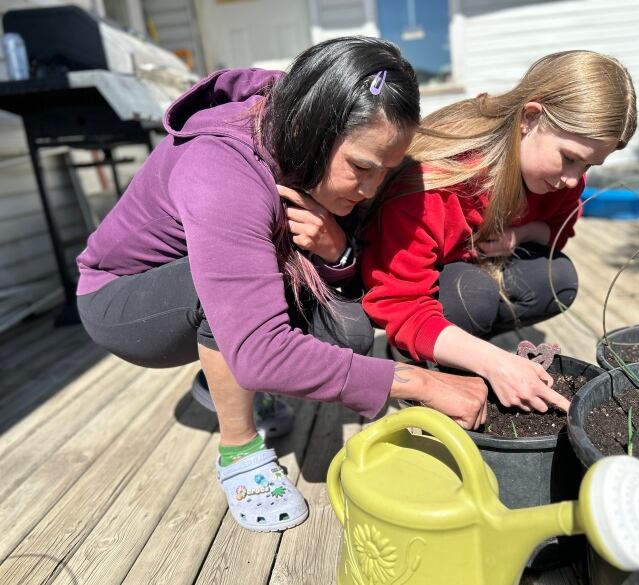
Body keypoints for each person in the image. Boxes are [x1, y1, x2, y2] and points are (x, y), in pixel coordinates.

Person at [75, 36, 488, 534]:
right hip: (121, 299)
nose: (372, 189)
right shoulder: (221, 170)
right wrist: (421, 382)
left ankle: (221, 380)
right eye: (360, 168)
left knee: (348, 330)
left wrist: (338, 249)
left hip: (222, 276)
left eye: (387, 172)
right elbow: (261, 350)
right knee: (226, 310)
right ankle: (240, 452)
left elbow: (348, 297)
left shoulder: (316, 130)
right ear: (308, 129)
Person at [361, 50, 637, 414]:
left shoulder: (559, 179)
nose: (574, 178)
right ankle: (411, 357)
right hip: (415, 287)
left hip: (468, 267)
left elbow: (558, 232)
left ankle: (460, 350)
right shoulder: (440, 179)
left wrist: (520, 236)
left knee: (558, 277)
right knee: (471, 297)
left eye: (589, 164)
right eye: (569, 157)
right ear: (530, 117)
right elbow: (400, 301)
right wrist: (496, 364)